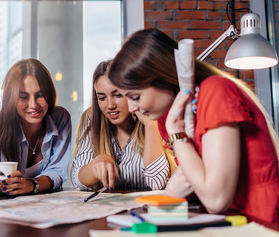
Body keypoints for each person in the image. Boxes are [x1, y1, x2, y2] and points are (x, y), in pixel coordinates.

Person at [108, 28, 279, 224]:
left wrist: (176, 132)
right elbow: (191, 181)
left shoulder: (215, 92)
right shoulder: (167, 117)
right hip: (223, 222)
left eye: (135, 97)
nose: (131, 108)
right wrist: (173, 190)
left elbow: (216, 199)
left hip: (261, 222)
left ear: (163, 77)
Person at [0, 58, 71, 195]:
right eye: (24, 97)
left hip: (40, 208)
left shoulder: (60, 118)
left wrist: (31, 185)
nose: (33, 105)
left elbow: (57, 171)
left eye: (40, 95)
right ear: (11, 98)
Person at [72, 60, 170, 191]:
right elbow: (78, 181)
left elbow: (158, 183)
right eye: (102, 98)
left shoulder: (153, 116)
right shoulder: (92, 117)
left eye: (118, 95)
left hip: (145, 208)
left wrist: (150, 124)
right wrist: (98, 162)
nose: (110, 105)